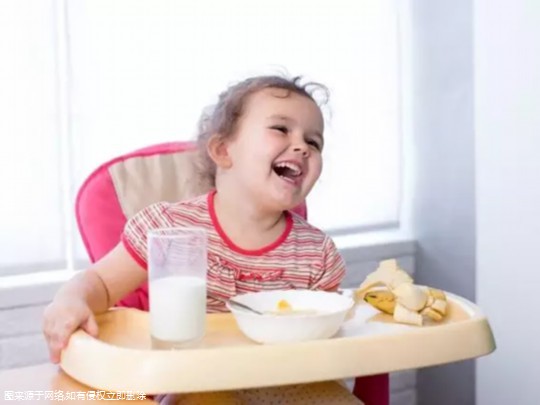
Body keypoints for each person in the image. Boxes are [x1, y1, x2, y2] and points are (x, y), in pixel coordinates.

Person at [42, 75, 352, 403]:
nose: (303, 146)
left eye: (314, 142)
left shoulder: (317, 254)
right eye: (280, 129)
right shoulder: (169, 229)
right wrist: (71, 301)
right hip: (198, 380)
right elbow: (100, 284)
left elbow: (327, 342)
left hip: (290, 382)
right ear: (222, 150)